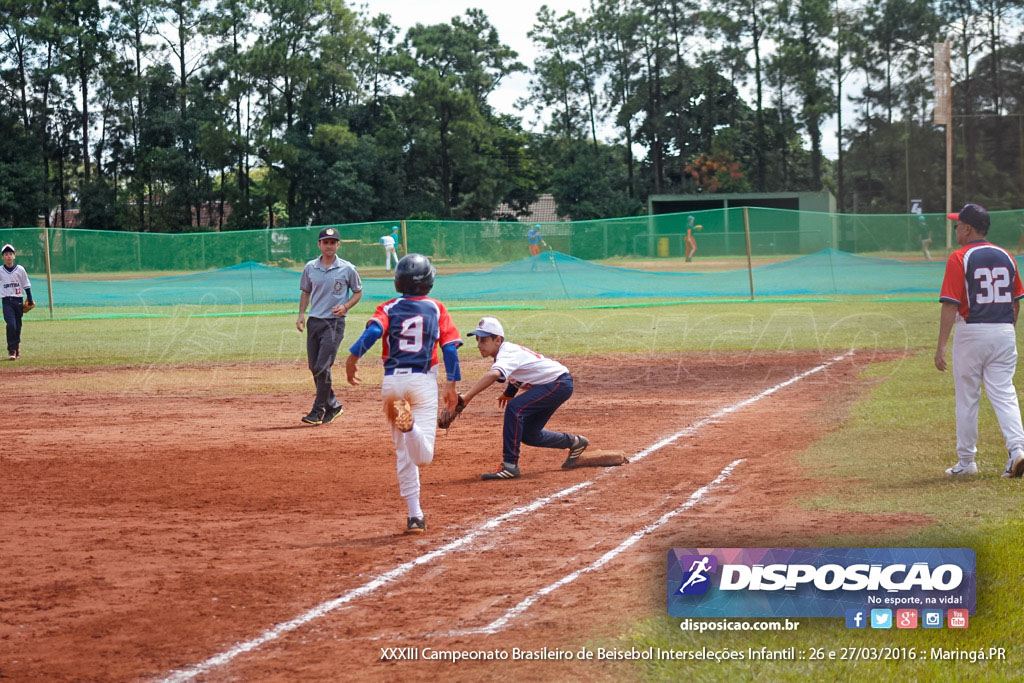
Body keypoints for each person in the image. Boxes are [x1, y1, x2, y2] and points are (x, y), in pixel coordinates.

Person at [345, 254, 462, 534]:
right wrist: (452, 385)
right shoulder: (436, 308)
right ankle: (410, 429)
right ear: (429, 282)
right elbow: (448, 348)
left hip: (393, 385)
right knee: (423, 457)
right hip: (422, 382)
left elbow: (373, 333)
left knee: (404, 455)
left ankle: (415, 516)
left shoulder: (388, 307)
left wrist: (352, 358)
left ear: (399, 282)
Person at [935, 203, 1024, 478]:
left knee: (967, 398)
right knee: (1004, 393)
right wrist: (1006, 329)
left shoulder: (959, 257)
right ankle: (1018, 451)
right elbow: (1016, 300)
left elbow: (950, 305)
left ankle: (966, 462)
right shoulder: (1006, 255)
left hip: (972, 331)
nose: (956, 229)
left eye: (957, 225)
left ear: (968, 228)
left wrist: (941, 346)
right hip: (1004, 331)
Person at [458, 316, 589, 480]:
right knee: (529, 434)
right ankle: (574, 443)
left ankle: (510, 465)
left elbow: (494, 374)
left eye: (483, 340)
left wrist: (467, 397)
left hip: (557, 383)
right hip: (555, 383)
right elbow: (521, 372)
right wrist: (509, 393)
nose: (479, 345)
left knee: (515, 408)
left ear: (497, 340)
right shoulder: (506, 352)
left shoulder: (507, 353)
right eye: (477, 340)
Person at [297, 227, 363, 426]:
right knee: (314, 367)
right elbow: (306, 292)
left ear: (338, 245)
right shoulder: (310, 267)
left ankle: (317, 411)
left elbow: (358, 292)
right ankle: (334, 405)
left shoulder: (347, 268)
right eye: (325, 242)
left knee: (322, 366)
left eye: (333, 242)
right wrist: (301, 314)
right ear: (319, 244)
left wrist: (346, 306)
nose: (329, 245)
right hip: (314, 321)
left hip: (333, 324)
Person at [1, 244, 34, 360]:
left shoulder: (20, 269)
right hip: (7, 301)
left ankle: (16, 346)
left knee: (18, 326)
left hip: (18, 301)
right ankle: (11, 350)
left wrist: (29, 298)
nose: (8, 256)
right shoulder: (0, 271)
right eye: (6, 254)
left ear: (14, 256)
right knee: (11, 325)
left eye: (10, 254)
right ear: (3, 257)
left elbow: (26, 284)